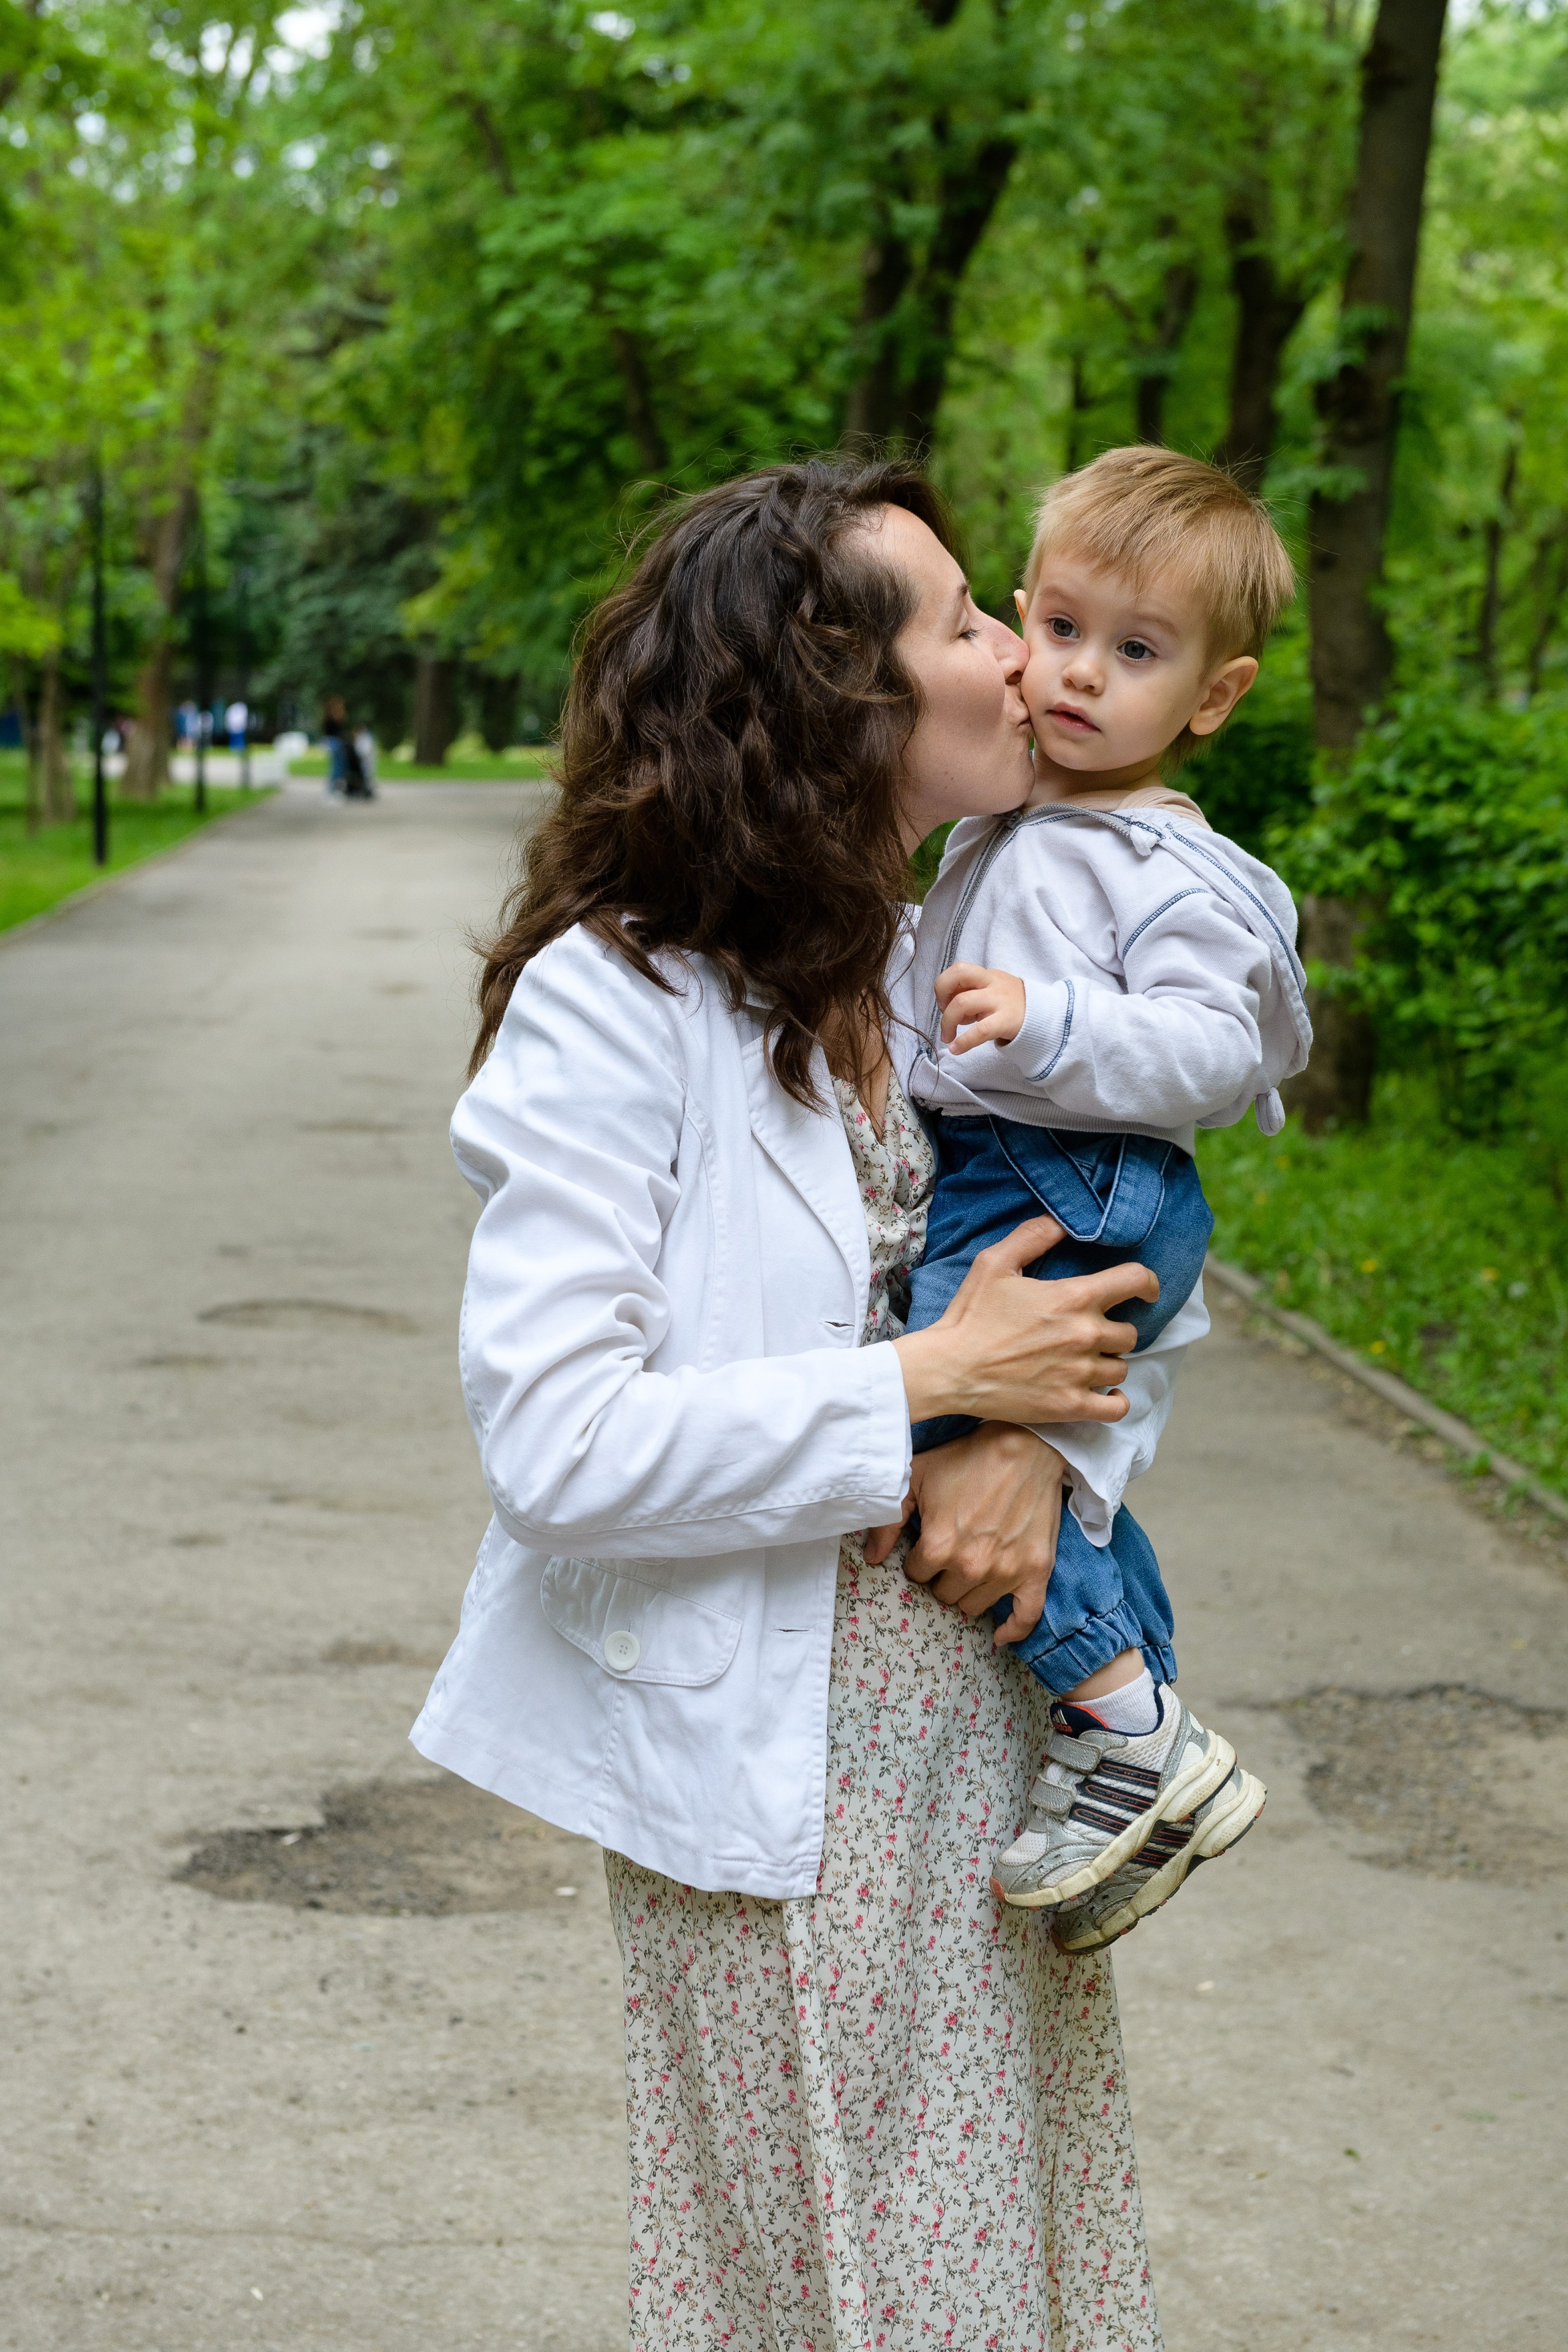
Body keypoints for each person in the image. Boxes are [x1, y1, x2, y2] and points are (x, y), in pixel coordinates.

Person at [412, 459, 1202, 2351]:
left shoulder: (932, 962)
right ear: (836, 698)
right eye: (966, 621)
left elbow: (1128, 1260)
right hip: (769, 1772)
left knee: (994, 2252)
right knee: (835, 2286)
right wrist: (930, 1385)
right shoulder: (614, 1002)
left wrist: (1039, 1437)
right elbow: (558, 1442)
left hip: (976, 1727)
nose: (1022, 655)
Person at [893, 447, 1310, 1949]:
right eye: (1059, 629)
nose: (1076, 675)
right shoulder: (1011, 824)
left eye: (1133, 654)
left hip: (1073, 1170)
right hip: (1032, 1155)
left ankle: (1126, 1726)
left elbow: (1212, 1049)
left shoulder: (1162, 867)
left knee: (927, 1424)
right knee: (1036, 1462)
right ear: (1018, 616)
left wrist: (1056, 1021)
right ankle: (1134, 1715)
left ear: (1210, 694)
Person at [322, 696, 347, 793]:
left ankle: (334, 787)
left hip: (334, 743)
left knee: (338, 766)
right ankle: (332, 788)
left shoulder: (328, 717)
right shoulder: (333, 719)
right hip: (335, 743)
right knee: (338, 766)